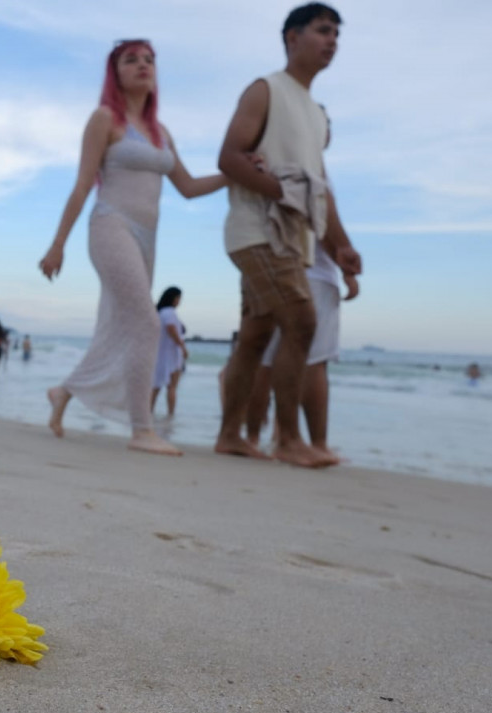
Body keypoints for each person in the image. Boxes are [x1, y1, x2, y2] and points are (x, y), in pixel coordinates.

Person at [39, 39, 235, 456]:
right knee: (146, 323)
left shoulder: (161, 133)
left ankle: (64, 392)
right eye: (132, 60)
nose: (143, 65)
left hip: (148, 238)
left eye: (149, 59)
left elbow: (187, 186)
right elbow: (80, 186)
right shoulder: (104, 119)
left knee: (119, 325)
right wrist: (58, 245)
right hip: (110, 225)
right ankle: (141, 430)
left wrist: (233, 175)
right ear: (116, 71)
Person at [213, 4, 361, 468]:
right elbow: (229, 157)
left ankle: (231, 435)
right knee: (302, 321)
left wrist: (341, 247)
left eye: (336, 33)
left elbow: (320, 191)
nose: (332, 40)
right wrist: (281, 192)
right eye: (322, 30)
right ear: (292, 38)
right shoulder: (265, 90)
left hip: (291, 242)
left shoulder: (316, 114)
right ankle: (289, 440)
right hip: (257, 232)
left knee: (257, 336)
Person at [245, 235, 358, 463]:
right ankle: (314, 443)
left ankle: (252, 439)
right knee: (314, 360)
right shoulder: (313, 197)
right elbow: (323, 219)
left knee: (265, 359)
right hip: (310, 272)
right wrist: (346, 262)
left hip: (267, 265)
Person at [151, 287, 187, 417]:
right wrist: (183, 347)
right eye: (178, 298)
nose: (179, 301)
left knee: (156, 386)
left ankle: (149, 413)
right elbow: (171, 329)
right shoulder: (170, 312)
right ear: (173, 298)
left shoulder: (159, 312)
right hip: (171, 354)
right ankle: (171, 415)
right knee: (172, 387)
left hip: (160, 353)